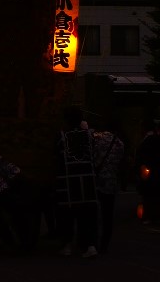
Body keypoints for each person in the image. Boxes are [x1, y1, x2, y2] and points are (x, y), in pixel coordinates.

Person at [55, 107, 99, 259]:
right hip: (88, 181)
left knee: (67, 215)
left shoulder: (62, 136)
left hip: (68, 181)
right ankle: (90, 245)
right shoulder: (90, 135)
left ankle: (67, 245)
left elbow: (57, 156)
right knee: (87, 215)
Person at [91, 122, 125, 253]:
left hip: (96, 180)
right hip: (111, 181)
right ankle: (105, 243)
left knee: (93, 213)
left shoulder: (96, 139)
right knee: (108, 214)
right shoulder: (119, 143)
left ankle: (92, 242)